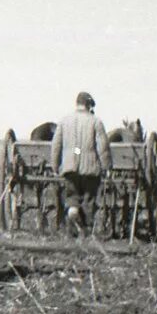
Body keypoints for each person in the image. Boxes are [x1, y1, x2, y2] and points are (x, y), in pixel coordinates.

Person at [49, 91, 111, 237]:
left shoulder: (64, 121)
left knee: (72, 196)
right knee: (89, 199)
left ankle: (72, 213)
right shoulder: (96, 121)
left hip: (70, 168)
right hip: (90, 169)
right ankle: (86, 231)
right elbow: (102, 147)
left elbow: (56, 145)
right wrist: (107, 166)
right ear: (89, 105)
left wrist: (55, 165)